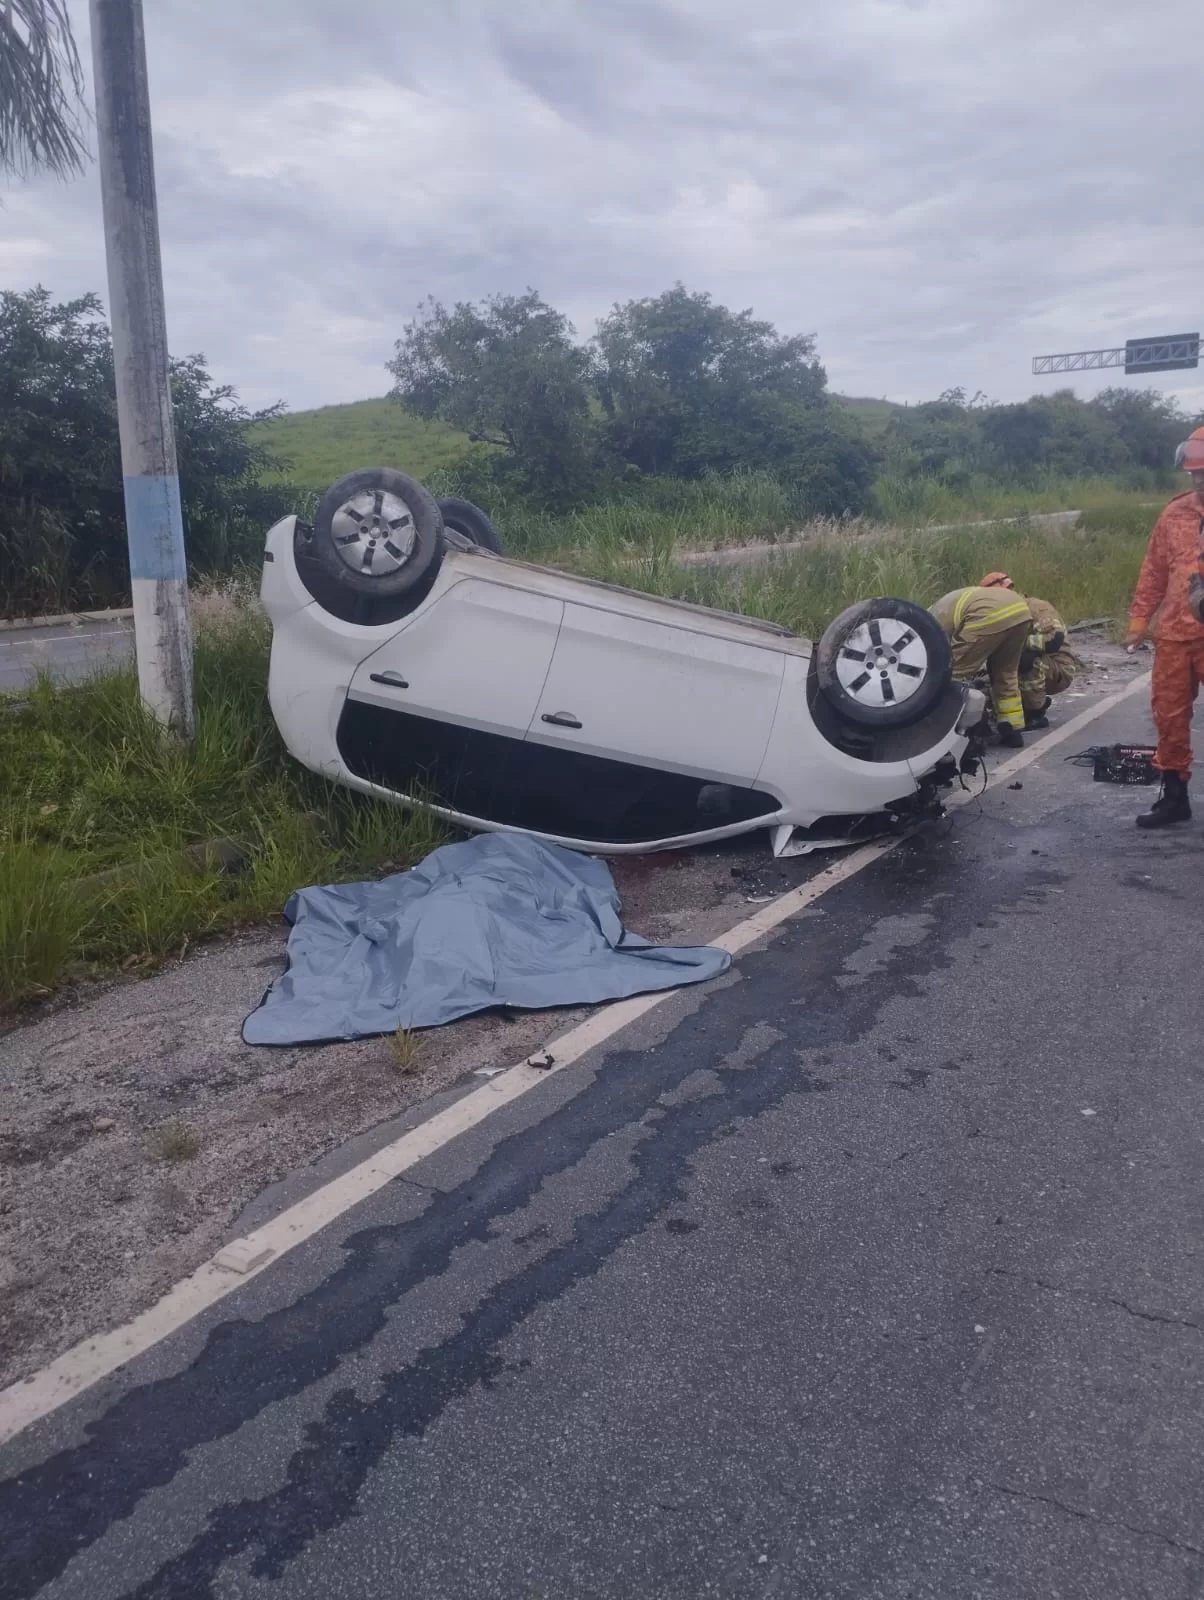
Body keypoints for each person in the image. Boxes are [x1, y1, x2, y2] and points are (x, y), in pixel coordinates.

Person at [1124, 425, 1204, 828]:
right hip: (1174, 633)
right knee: (1169, 716)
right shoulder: (1175, 512)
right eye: (1193, 472)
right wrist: (1140, 619)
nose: (1197, 478)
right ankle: (1174, 798)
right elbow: (1153, 571)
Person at [930, 584, 1034, 747]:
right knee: (1006, 672)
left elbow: (936, 654)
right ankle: (1012, 731)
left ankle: (968, 731)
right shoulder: (949, 602)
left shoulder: (931, 619)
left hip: (989, 615)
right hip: (1021, 611)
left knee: (955, 674)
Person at [979, 572, 1078, 729]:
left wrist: (1017, 644)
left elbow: (1054, 640)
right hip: (1034, 662)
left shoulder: (1035, 608)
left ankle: (1035, 712)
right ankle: (1019, 706)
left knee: (1026, 661)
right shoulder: (1002, 616)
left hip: (1058, 667)